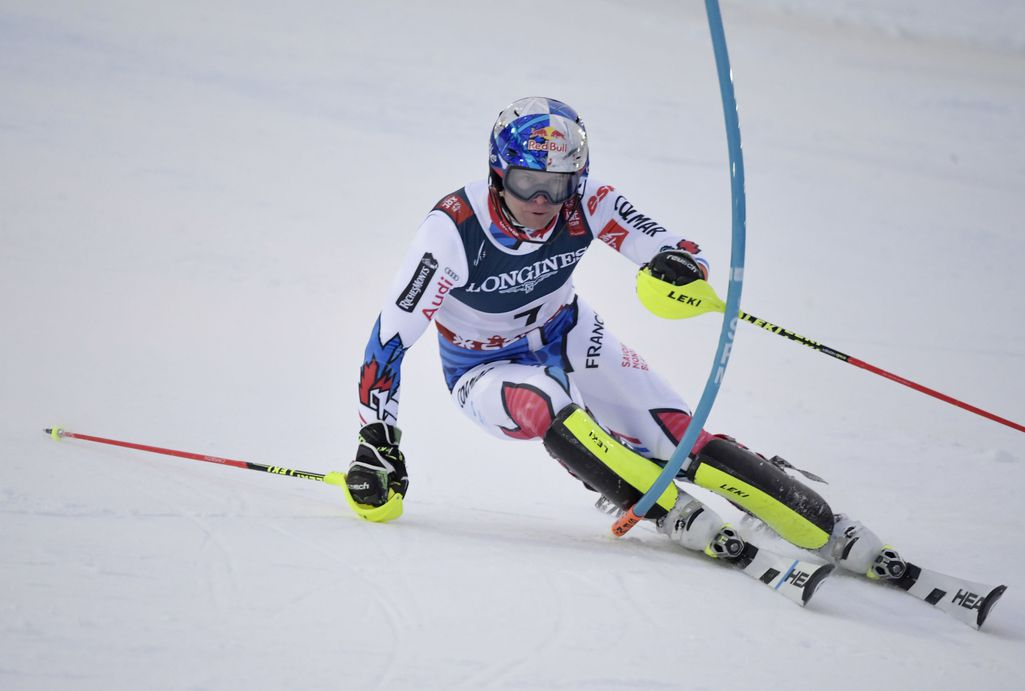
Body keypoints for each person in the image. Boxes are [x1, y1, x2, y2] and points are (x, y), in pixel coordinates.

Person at [347, 96, 904, 582]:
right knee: (547, 406)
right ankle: (660, 507)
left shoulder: (588, 202)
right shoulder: (451, 231)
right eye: (526, 183)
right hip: (481, 370)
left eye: (557, 185)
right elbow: (390, 338)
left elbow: (669, 244)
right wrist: (377, 437)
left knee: (676, 438)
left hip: (568, 333)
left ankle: (820, 524)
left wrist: (678, 265)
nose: (541, 201)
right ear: (498, 173)